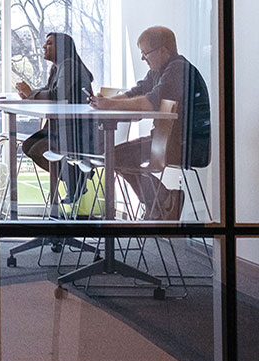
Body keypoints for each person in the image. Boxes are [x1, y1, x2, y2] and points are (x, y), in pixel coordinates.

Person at [90, 26, 211, 220]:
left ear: (164, 50)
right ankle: (162, 201)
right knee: (114, 157)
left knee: (114, 157)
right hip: (167, 141)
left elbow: (150, 102)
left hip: (187, 145)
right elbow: (136, 92)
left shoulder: (178, 69)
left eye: (146, 53)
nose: (142, 58)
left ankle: (163, 200)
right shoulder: (159, 70)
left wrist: (110, 103)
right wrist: (103, 102)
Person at [15, 32, 97, 203]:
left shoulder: (69, 65)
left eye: (50, 44)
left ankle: (75, 180)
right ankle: (74, 179)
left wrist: (32, 94)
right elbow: (47, 90)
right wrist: (31, 94)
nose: (44, 47)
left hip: (75, 132)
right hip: (61, 128)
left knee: (37, 147)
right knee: (29, 146)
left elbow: (57, 95)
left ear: (62, 47)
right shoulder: (57, 67)